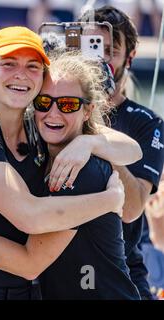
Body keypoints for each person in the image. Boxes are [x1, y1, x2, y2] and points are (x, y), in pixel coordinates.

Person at [0, 26, 141, 300]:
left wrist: (89, 142)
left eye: (32, 66)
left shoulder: (41, 127)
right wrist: (109, 201)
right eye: (9, 63)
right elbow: (29, 215)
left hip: (22, 290)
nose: (21, 74)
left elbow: (132, 150)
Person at [79, 5, 164, 300]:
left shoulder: (146, 123)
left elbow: (132, 209)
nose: (100, 59)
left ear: (130, 57)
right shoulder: (55, 112)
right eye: (92, 48)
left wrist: (96, 130)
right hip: (61, 267)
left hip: (122, 269)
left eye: (110, 50)